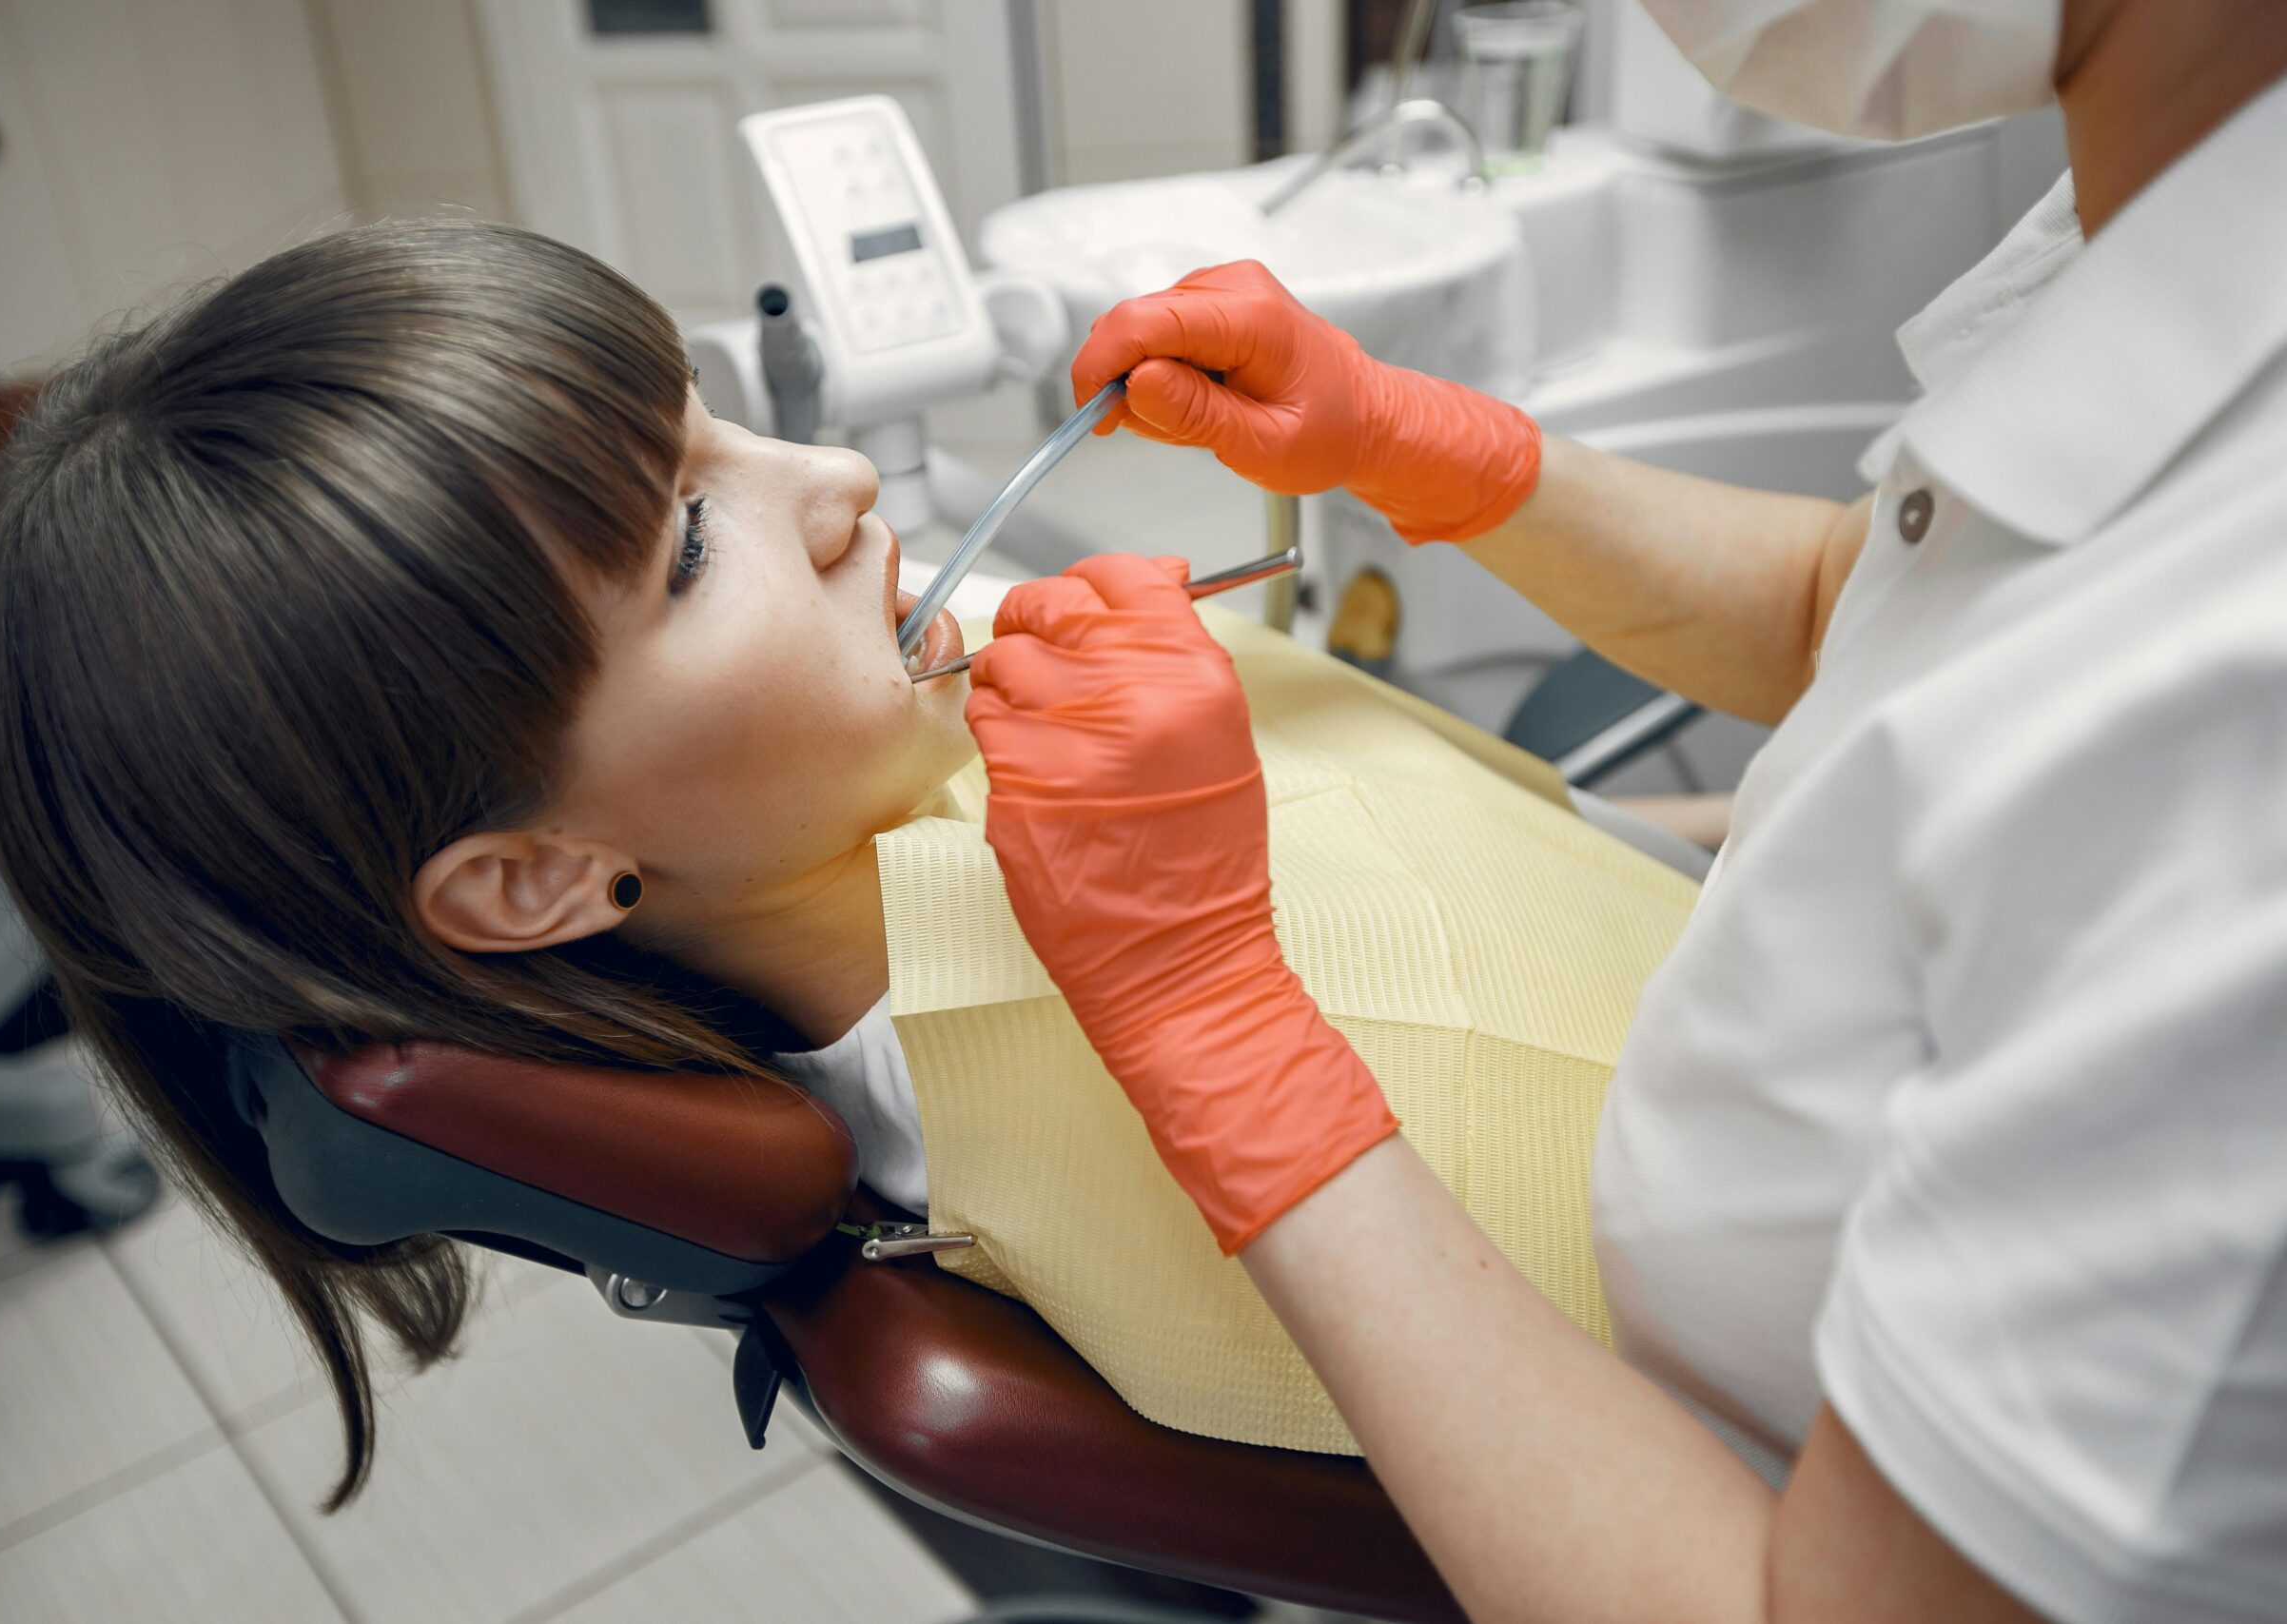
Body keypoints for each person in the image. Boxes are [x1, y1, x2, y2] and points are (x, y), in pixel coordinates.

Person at [0, 216, 1705, 1510]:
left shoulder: (939, 742)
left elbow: (1553, 875)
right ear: (537, 876)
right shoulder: (1170, 1159)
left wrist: (1431, 460)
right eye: (693, 540)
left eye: (712, 426)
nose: (840, 472)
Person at [964, 0, 2287, 1618]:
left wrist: (1209, 1023)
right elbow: (1851, 609)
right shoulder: (2167, 197)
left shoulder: (2247, 711)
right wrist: (1412, 439)